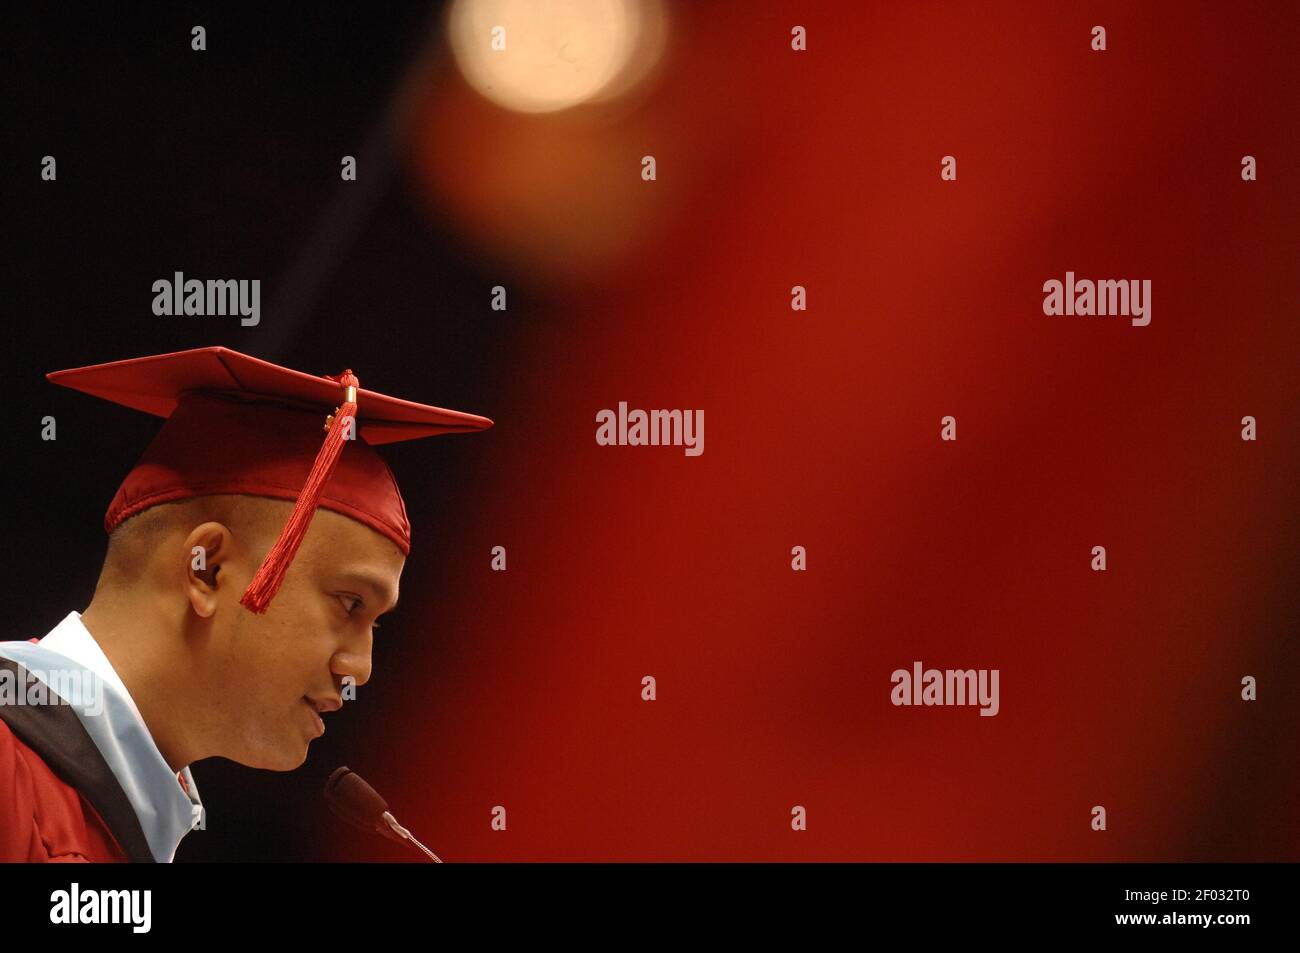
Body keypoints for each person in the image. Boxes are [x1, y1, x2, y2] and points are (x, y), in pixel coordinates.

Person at [0, 347, 492, 861]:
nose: (359, 669)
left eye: (375, 624)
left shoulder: (112, 818)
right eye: (349, 604)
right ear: (207, 570)